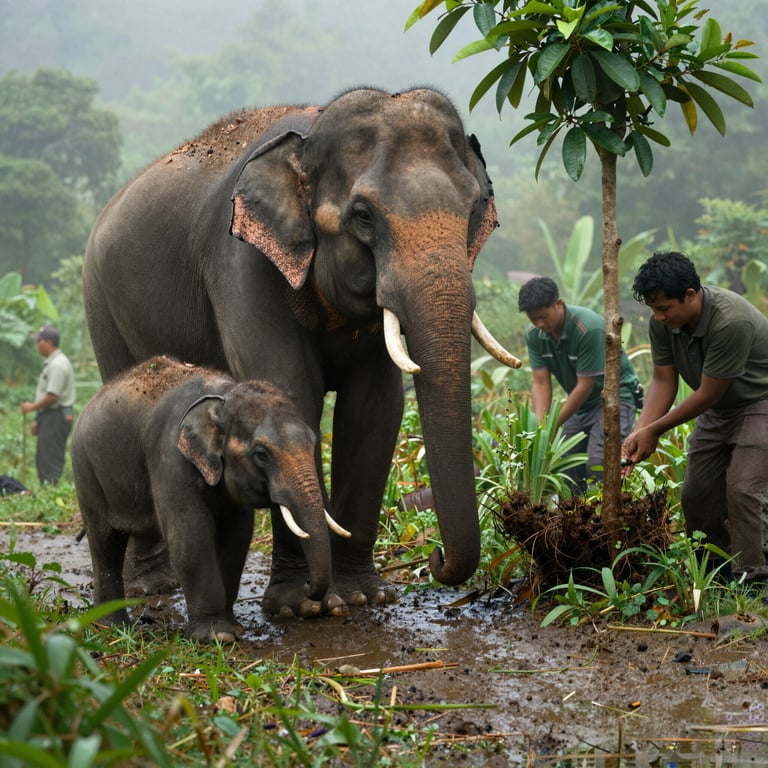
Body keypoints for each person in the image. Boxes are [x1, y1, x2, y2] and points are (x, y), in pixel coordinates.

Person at [622, 251, 768, 584]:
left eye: (664, 308)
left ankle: (754, 579)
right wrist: (640, 432)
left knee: (743, 489)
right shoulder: (665, 323)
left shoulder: (730, 320)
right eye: (653, 309)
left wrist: (655, 430)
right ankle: (714, 576)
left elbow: (708, 393)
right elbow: (663, 381)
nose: (658, 317)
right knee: (696, 494)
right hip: (718, 409)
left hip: (760, 401)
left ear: (690, 295)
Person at [518, 276, 641, 489]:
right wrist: (543, 426)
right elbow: (540, 383)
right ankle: (575, 510)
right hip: (582, 405)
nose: (539, 324)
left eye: (543, 317)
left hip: (616, 397)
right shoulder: (534, 335)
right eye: (533, 319)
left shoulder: (588, 328)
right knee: (565, 463)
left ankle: (610, 508)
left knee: (599, 462)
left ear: (558, 304)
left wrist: (554, 424)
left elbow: (585, 385)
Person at [21, 325, 76, 484]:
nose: (37, 345)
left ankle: (51, 489)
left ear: (49, 342)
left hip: (56, 417)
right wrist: (38, 419)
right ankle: (48, 487)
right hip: (50, 416)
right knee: (45, 456)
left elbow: (52, 396)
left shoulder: (57, 365)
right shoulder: (52, 363)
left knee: (50, 458)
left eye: (39, 341)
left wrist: (31, 407)